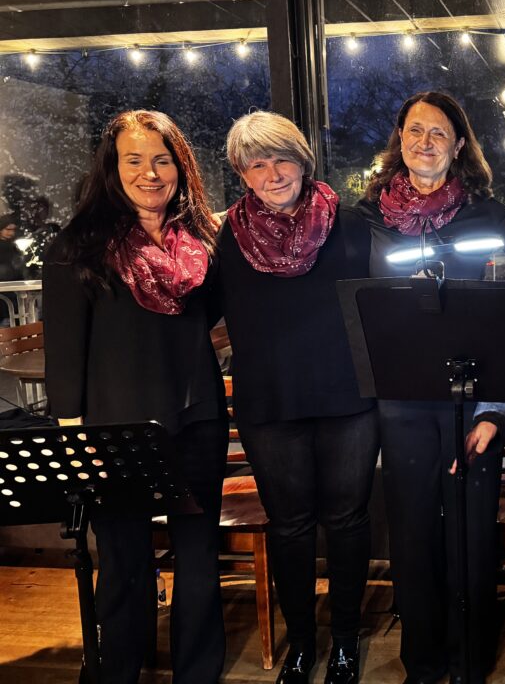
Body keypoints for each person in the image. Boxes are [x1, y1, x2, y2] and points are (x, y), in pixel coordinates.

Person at [357, 91, 505, 683]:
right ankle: (422, 663)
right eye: (414, 130)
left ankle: (470, 661)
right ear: (399, 139)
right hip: (401, 406)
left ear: (459, 146)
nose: (425, 142)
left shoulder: (485, 215)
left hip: (474, 406)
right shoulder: (365, 219)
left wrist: (497, 410)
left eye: (439, 133)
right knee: (413, 538)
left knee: (470, 539)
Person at [43, 109, 228, 684]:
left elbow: (209, 320)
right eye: (134, 160)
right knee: (123, 560)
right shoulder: (77, 246)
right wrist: (74, 439)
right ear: (111, 167)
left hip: (197, 419)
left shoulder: (204, 242)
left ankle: (198, 673)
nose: (150, 173)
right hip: (114, 430)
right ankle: (120, 670)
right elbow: (65, 353)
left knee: (198, 557)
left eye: (162, 160)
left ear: (180, 168)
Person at [218, 111, 377, 684]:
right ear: (242, 173)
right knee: (288, 526)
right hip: (270, 403)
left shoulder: (352, 225)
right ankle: (303, 645)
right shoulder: (224, 237)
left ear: (303, 161)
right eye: (257, 163)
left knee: (348, 520)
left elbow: (383, 307)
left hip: (348, 397)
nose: (273, 173)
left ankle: (345, 642)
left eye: (282, 158)